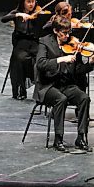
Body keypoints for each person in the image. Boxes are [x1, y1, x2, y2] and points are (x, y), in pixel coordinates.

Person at [34, 16, 92, 152]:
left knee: (84, 98)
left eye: (68, 32)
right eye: (64, 33)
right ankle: (58, 139)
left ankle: (81, 137)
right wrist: (61, 59)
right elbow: (41, 63)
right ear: (55, 30)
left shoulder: (73, 45)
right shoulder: (45, 42)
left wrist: (90, 63)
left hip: (66, 84)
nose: (67, 36)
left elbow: (78, 70)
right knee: (61, 99)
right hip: (48, 86)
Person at [1, 0, 41, 100]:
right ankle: (20, 90)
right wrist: (19, 14)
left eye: (33, 1)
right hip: (21, 44)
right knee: (19, 59)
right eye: (28, 1)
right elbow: (3, 19)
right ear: (23, 2)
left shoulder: (38, 13)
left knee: (42, 60)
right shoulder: (17, 13)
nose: (31, 4)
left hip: (35, 44)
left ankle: (41, 91)